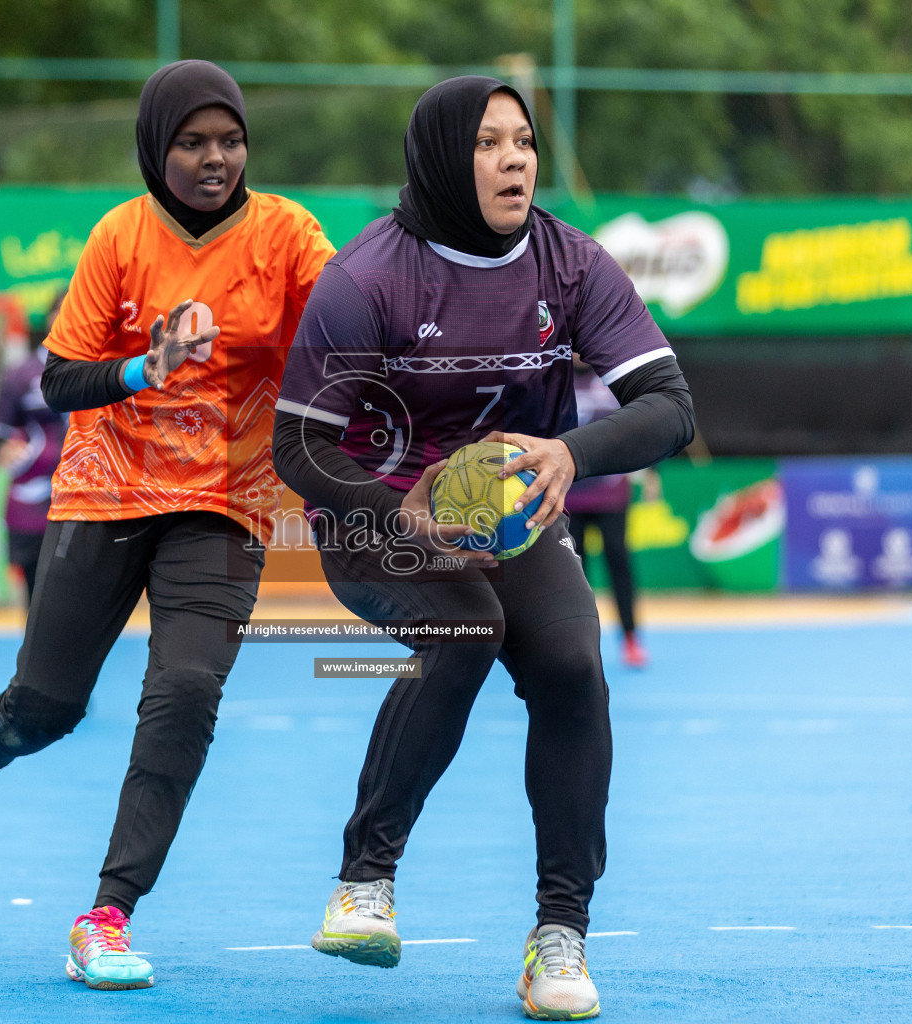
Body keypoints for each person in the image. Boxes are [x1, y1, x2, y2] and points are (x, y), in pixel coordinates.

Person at [0, 60, 336, 992]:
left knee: (184, 696)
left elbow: (348, 314)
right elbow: (59, 381)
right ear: (156, 148)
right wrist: (147, 366)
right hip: (105, 493)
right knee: (45, 708)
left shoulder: (287, 233)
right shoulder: (120, 236)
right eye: (192, 142)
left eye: (230, 139)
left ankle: (106, 913)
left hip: (225, 502)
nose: (215, 158)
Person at [272, 77, 694, 1020]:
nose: (515, 159)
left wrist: (568, 453)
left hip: (511, 516)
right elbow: (297, 445)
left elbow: (672, 408)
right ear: (440, 159)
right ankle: (364, 882)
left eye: (525, 141)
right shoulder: (367, 278)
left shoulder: (571, 264)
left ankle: (560, 937)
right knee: (465, 626)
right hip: (376, 519)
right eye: (489, 142)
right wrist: (396, 508)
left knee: (575, 666)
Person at [0, 291, 69, 604]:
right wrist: (4, 450)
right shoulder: (21, 375)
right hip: (35, 500)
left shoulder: (104, 369)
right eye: (61, 310)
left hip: (89, 496)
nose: (67, 317)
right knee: (36, 590)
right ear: (49, 317)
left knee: (77, 591)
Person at [566, 363, 647, 669]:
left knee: (619, 562)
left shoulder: (614, 378)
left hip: (611, 492)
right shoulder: (552, 378)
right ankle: (579, 644)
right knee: (573, 573)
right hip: (568, 495)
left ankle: (631, 638)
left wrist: (651, 469)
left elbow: (643, 425)